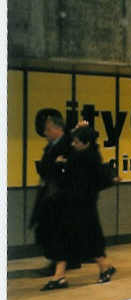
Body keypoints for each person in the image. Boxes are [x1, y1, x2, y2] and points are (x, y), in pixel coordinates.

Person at [40, 125, 117, 290]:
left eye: (76, 142)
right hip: (77, 206)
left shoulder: (84, 160)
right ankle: (61, 275)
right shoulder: (85, 155)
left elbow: (76, 182)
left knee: (83, 239)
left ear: (85, 143)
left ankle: (103, 268)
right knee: (73, 239)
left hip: (80, 207)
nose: (73, 144)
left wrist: (61, 165)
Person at [30, 109, 73, 278]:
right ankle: (58, 263)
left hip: (60, 196)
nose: (45, 133)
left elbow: (66, 171)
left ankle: (59, 268)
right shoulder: (52, 146)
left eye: (48, 129)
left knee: (56, 231)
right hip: (49, 194)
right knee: (47, 230)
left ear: (57, 128)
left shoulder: (67, 146)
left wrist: (54, 166)